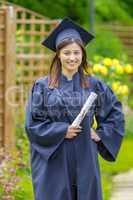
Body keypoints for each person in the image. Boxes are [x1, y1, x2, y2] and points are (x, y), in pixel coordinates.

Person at [25, 17, 125, 200]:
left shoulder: (94, 85)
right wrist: (62, 131)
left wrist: (100, 134)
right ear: (58, 55)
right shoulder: (42, 87)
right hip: (55, 161)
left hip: (85, 157)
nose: (72, 58)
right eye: (67, 53)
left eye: (76, 53)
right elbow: (33, 125)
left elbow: (114, 114)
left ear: (83, 55)